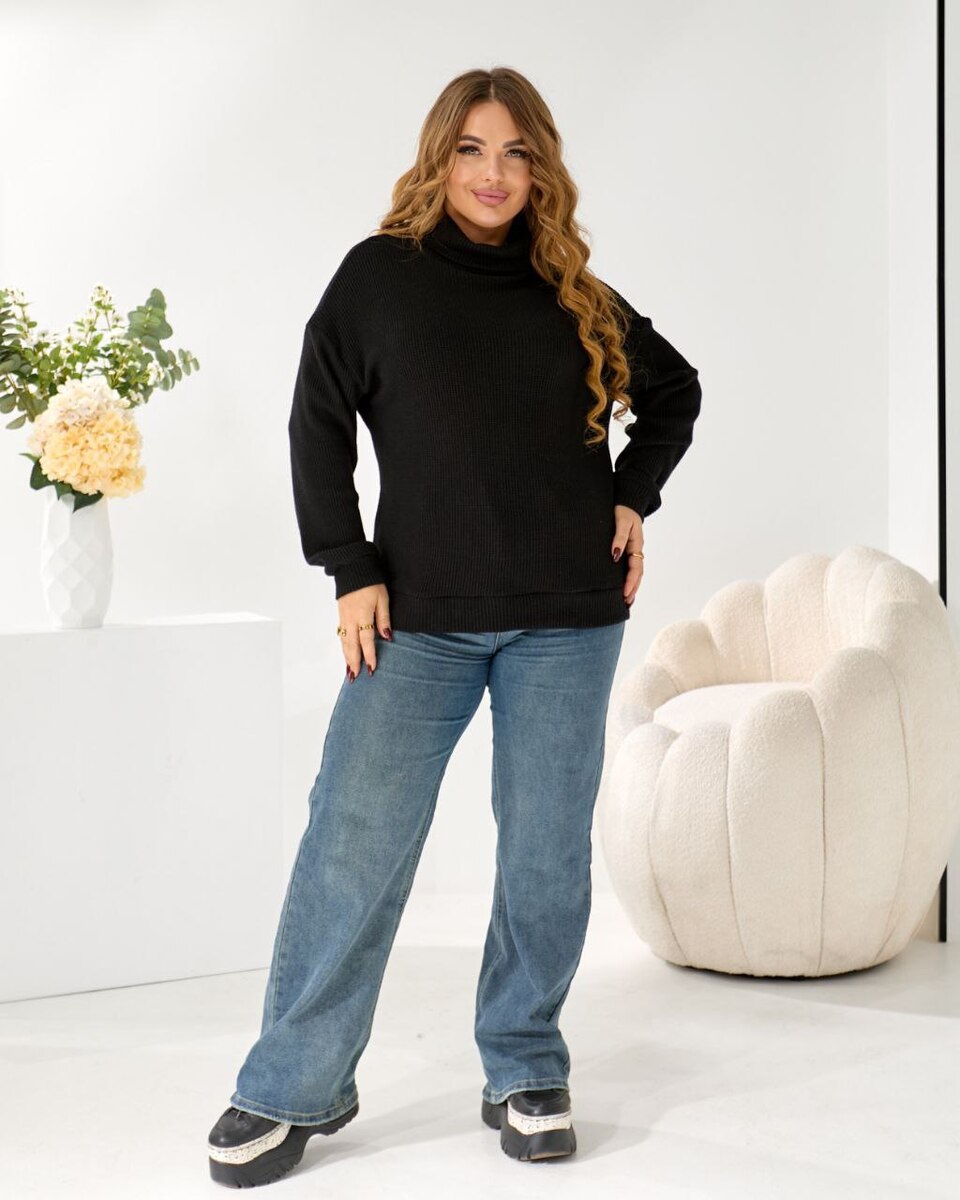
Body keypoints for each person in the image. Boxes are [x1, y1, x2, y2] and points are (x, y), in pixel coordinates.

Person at [207, 65, 702, 1187]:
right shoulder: (378, 277)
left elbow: (674, 392)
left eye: (517, 153)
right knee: (352, 846)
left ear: (542, 169)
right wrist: (349, 568)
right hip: (415, 618)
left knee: (542, 857)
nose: (494, 173)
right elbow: (316, 422)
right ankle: (291, 1084)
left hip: (568, 618)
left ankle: (524, 1063)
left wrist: (633, 496)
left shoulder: (570, 288)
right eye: (473, 149)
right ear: (439, 158)